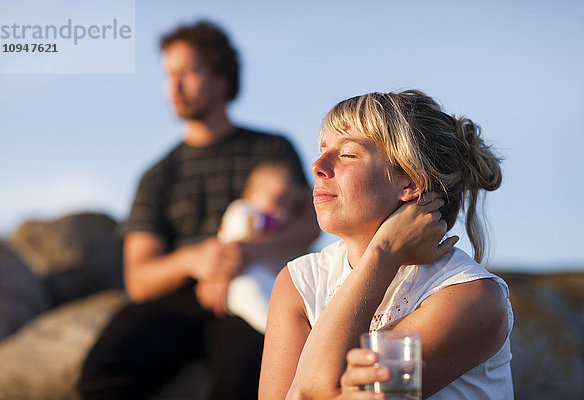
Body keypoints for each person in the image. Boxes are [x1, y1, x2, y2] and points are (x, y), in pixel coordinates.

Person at [79, 21, 319, 400]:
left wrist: (241, 254)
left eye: (188, 72)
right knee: (102, 371)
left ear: (222, 78)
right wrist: (194, 260)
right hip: (179, 301)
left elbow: (311, 222)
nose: (174, 87)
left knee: (247, 377)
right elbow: (139, 278)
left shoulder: (273, 150)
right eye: (168, 75)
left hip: (256, 290)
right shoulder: (158, 176)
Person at [259, 90, 513, 399]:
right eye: (323, 149)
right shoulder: (299, 282)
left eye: (347, 153)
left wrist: (383, 253)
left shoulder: (470, 298)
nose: (317, 165)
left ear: (410, 182)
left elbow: (310, 393)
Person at [218, 162, 304, 333]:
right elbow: (242, 227)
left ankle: (292, 331)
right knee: (253, 296)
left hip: (266, 276)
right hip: (239, 277)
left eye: (286, 202)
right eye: (276, 199)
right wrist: (273, 221)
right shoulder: (242, 209)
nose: (281, 207)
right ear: (251, 193)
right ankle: (279, 333)